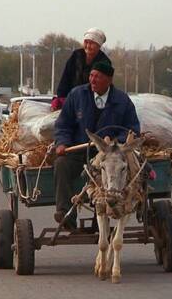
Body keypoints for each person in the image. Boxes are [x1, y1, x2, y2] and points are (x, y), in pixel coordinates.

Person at [53, 61, 140, 229]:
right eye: (91, 76)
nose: (92, 80)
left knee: (112, 173)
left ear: (109, 80)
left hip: (109, 154)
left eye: (98, 77)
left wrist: (115, 141)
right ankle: (65, 214)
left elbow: (132, 129)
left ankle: (101, 217)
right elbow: (63, 124)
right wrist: (62, 142)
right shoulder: (77, 95)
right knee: (61, 165)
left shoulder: (122, 101)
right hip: (79, 151)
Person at [52, 28, 111, 111]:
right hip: (71, 99)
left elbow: (101, 87)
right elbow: (66, 78)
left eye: (92, 43)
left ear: (99, 45)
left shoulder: (104, 62)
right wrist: (61, 97)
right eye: (86, 42)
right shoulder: (76, 55)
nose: (88, 46)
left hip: (91, 103)